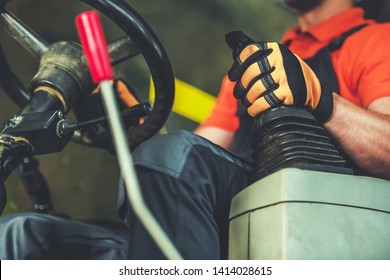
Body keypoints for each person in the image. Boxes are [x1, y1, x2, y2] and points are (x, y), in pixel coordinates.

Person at [1, 0, 390, 260]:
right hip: (219, 229)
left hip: (317, 224)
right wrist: (130, 125)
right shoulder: (257, 56)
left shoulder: (375, 40)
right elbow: (189, 163)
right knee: (21, 236)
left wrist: (324, 100)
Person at [124, 0, 390, 259]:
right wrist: (138, 134)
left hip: (331, 221)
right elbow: (183, 164)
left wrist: (323, 100)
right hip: (246, 214)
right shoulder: (258, 62)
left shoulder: (377, 39)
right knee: (96, 244)